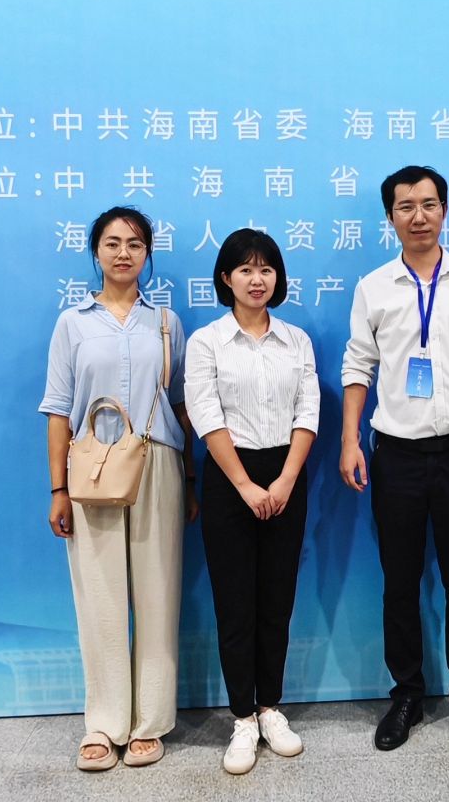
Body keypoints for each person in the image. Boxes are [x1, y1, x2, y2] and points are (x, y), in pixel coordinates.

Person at [338, 164, 449, 755]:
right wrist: (349, 439)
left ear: (444, 210)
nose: (419, 216)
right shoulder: (374, 286)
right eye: (406, 207)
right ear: (389, 217)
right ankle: (407, 695)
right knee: (400, 582)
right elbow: (358, 364)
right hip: (396, 455)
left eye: (429, 204)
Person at [41, 206, 197, 771]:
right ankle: (104, 724)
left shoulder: (167, 323)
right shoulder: (72, 323)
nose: (123, 253)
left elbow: (182, 404)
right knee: (101, 600)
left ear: (147, 254)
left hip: (158, 462)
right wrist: (58, 489)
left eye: (134, 243)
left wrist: (193, 477)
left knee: (158, 594)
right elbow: (58, 410)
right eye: (112, 243)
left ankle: (150, 723)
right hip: (92, 468)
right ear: (96, 252)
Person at [185, 228, 319, 775]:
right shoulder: (206, 342)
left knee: (276, 599)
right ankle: (242, 716)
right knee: (235, 602)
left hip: (286, 475)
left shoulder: (296, 340)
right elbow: (205, 414)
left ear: (277, 278)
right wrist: (244, 485)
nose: (256, 279)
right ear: (226, 278)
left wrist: (285, 479)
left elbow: (308, 410)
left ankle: (271, 709)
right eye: (245, 269)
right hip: (228, 477)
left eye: (266, 269)